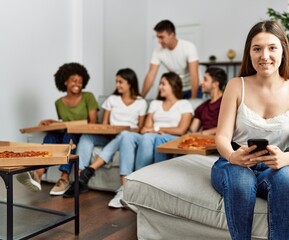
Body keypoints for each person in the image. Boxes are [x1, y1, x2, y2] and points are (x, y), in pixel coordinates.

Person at [211, 20, 289, 240]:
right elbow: (222, 136)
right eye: (257, 49)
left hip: (273, 165)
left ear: (283, 50)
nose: (264, 55)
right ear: (249, 53)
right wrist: (232, 155)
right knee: (242, 179)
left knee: (288, 180)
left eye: (272, 48)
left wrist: (284, 159)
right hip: (232, 162)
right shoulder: (236, 85)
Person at [109, 72, 193, 208]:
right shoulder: (155, 103)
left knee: (151, 136)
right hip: (152, 135)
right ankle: (125, 187)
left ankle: (139, 185)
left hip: (171, 138)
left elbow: (181, 130)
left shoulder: (184, 104)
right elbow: (145, 127)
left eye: (163, 84)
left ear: (173, 85)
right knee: (127, 135)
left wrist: (157, 129)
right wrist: (153, 130)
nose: (159, 87)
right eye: (160, 84)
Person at [62, 68, 147, 198]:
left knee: (124, 135)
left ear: (130, 83)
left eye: (120, 82)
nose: (117, 85)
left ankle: (89, 170)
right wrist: (108, 130)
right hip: (109, 136)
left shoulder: (141, 103)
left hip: (127, 138)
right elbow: (104, 123)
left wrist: (123, 130)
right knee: (86, 137)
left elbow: (140, 129)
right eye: (116, 82)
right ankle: (79, 179)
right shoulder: (112, 99)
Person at [16, 62, 99, 195]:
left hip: (82, 133)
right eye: (74, 81)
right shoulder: (59, 103)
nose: (77, 84)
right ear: (65, 81)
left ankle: (64, 178)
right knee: (50, 137)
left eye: (80, 81)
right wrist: (52, 122)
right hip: (68, 131)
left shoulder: (88, 97)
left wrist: (70, 127)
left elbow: (93, 122)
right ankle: (38, 175)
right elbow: (65, 123)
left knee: (68, 136)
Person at [153, 67, 227, 163]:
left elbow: (231, 127)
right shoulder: (202, 107)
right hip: (200, 141)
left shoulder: (226, 103)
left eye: (205, 79)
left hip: (217, 141)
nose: (201, 82)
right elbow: (192, 130)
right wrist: (169, 134)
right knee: (162, 140)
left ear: (215, 84)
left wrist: (205, 133)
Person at [141, 19, 200, 99]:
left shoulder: (188, 47)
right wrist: (141, 97)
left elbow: (194, 75)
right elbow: (150, 76)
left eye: (162, 37)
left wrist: (193, 99)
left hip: (192, 87)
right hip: (176, 88)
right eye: (158, 37)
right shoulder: (157, 52)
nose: (159, 41)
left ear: (172, 35)